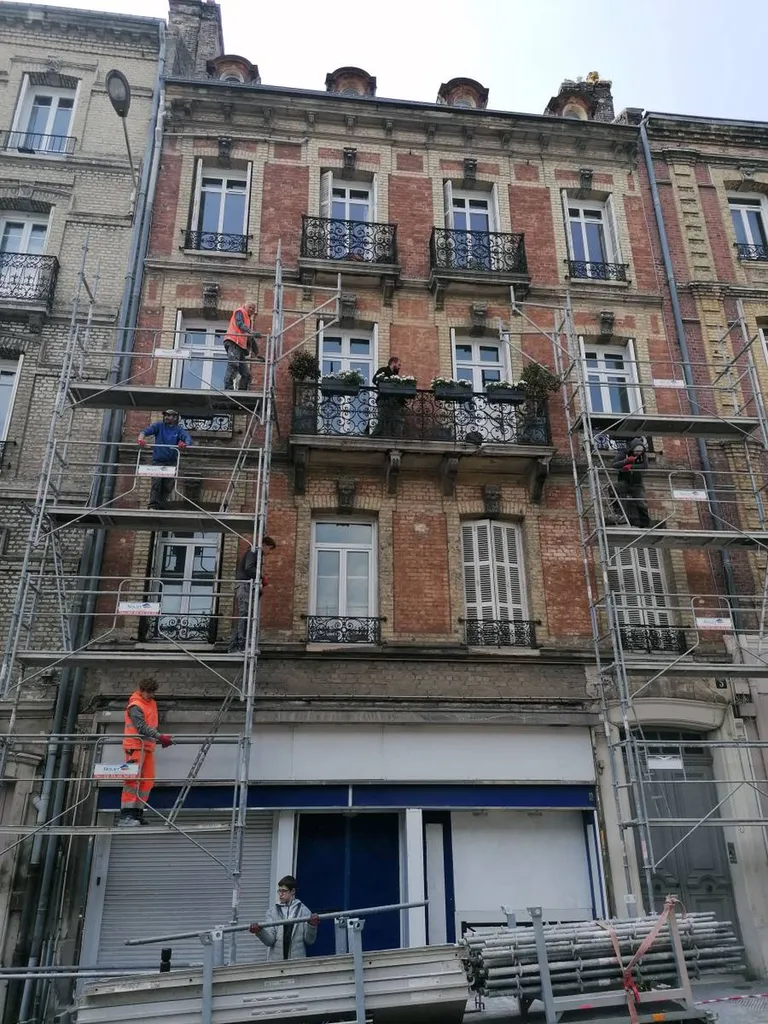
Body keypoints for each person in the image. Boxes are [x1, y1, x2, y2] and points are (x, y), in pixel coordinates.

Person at [119, 679, 173, 827]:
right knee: (132, 781)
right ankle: (126, 816)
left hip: (147, 747)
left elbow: (149, 726)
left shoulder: (150, 703)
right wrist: (160, 737)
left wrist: (157, 739)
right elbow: (141, 727)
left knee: (147, 781)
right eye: (149, 692)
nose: (151, 695)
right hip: (135, 747)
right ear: (141, 690)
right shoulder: (135, 706)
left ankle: (137, 814)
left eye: (153, 692)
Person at [249, 875, 318, 961]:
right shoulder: (272, 912)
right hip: (276, 963)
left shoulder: (304, 911)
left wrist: (312, 925)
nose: (280, 894)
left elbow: (309, 940)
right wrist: (259, 932)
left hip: (297, 963)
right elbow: (269, 941)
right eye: (279, 891)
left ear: (292, 891)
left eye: (284, 891)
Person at [137, 409, 193, 509]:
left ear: (175, 417)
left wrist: (185, 444)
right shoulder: (159, 426)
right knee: (156, 483)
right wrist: (141, 439)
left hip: (171, 462)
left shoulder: (178, 429)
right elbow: (145, 431)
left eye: (169, 415)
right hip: (158, 461)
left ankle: (162, 506)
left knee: (168, 485)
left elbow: (187, 438)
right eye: (165, 415)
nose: (166, 417)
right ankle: (153, 505)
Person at [229, 535, 276, 652]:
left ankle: (235, 646)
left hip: (247, 586)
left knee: (246, 616)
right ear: (264, 545)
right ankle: (241, 645)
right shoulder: (252, 552)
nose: (269, 553)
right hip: (244, 586)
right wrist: (261, 575)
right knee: (244, 615)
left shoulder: (256, 554)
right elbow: (249, 568)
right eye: (270, 549)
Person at [224, 301, 264, 391]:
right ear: (245, 306)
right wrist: (251, 332)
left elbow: (250, 339)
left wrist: (257, 354)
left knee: (246, 375)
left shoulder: (248, 321)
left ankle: (242, 391)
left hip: (240, 347)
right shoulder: (240, 311)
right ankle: (228, 388)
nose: (252, 309)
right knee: (233, 364)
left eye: (253, 308)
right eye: (250, 307)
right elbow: (239, 324)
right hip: (233, 341)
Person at [611, 437, 651, 528]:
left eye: (640, 451)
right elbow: (614, 465)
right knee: (616, 489)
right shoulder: (623, 453)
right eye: (636, 451)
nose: (638, 453)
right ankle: (620, 514)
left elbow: (644, 466)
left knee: (641, 502)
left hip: (637, 482)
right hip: (624, 480)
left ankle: (644, 523)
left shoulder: (642, 455)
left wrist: (630, 466)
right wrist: (626, 461)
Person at [372, 355, 406, 438]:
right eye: (399, 365)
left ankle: (397, 438)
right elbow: (374, 380)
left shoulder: (396, 376)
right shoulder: (383, 370)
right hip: (384, 400)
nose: (399, 367)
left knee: (398, 421)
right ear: (393, 363)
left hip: (395, 402)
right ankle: (374, 437)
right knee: (382, 420)